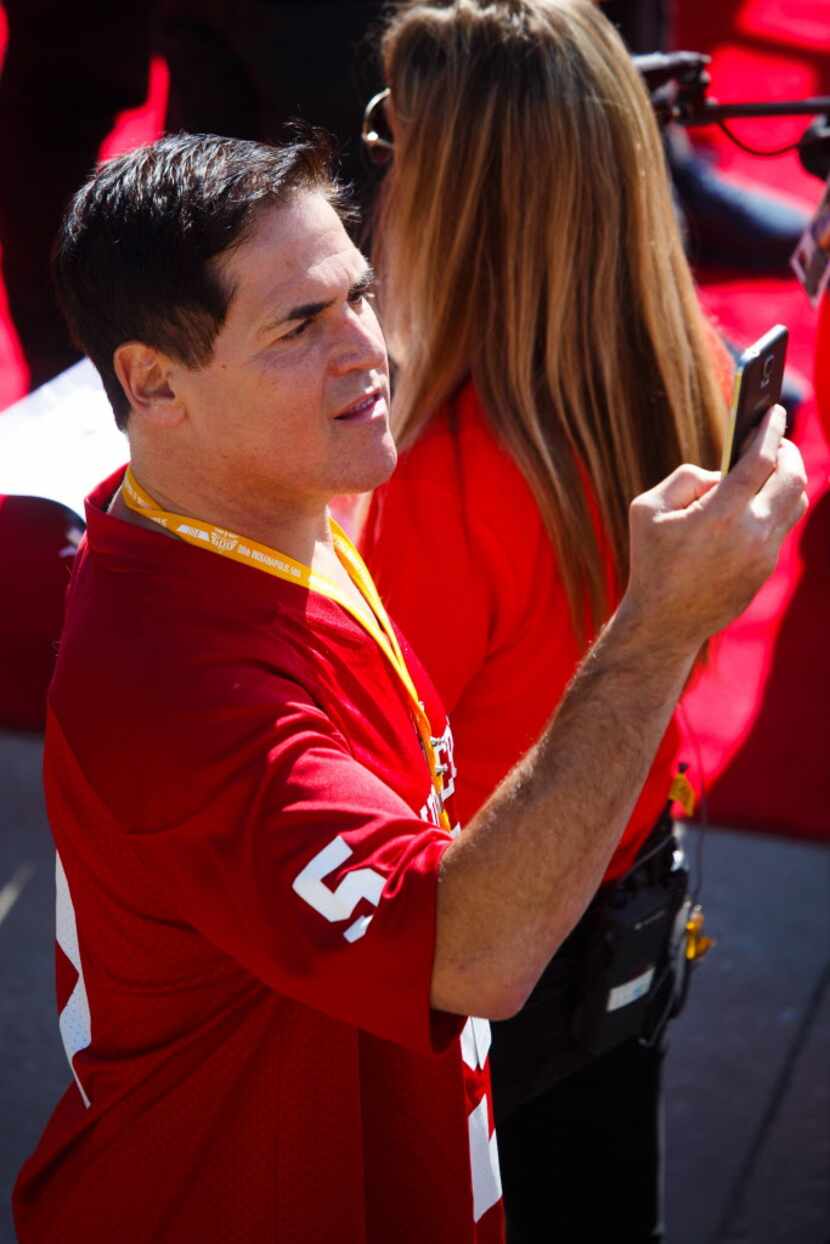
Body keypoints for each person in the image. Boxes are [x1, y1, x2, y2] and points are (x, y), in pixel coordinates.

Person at [12, 130, 804, 1243]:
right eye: (299, 323)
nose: (366, 349)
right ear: (153, 382)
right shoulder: (176, 691)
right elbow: (467, 953)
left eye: (359, 295)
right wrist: (657, 625)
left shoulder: (258, 508)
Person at [357, 1, 749, 1238]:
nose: (380, 169)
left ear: (459, 195)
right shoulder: (691, 366)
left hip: (490, 973)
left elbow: (363, 797)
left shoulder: (440, 479)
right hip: (624, 908)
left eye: (392, 139)